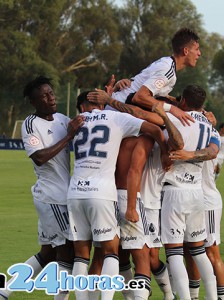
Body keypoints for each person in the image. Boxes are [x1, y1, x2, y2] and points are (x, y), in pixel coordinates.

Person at [0, 76, 84, 300]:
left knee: (48, 253)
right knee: (67, 250)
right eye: (45, 95)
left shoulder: (62, 118)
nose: (51, 98)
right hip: (53, 197)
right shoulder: (31, 124)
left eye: (51, 93)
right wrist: (68, 136)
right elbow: (39, 157)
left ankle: (2, 291)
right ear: (34, 102)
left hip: (59, 195)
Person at [67, 91, 169, 300]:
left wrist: (110, 94)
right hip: (113, 195)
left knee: (88, 257)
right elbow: (154, 131)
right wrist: (166, 150)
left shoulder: (75, 122)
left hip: (76, 192)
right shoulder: (119, 120)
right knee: (135, 257)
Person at [160, 85, 218, 300]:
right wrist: (192, 154)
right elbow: (213, 152)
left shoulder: (176, 120)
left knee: (174, 253)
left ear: (182, 100)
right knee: (198, 251)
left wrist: (184, 154)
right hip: (196, 193)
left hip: (175, 191)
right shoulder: (210, 125)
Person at [110, 27, 201, 126]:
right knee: (161, 127)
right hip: (116, 112)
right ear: (186, 51)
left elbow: (154, 91)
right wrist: (172, 108)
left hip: (116, 108)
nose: (199, 53)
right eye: (197, 49)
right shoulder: (167, 69)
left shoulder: (166, 62)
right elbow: (140, 97)